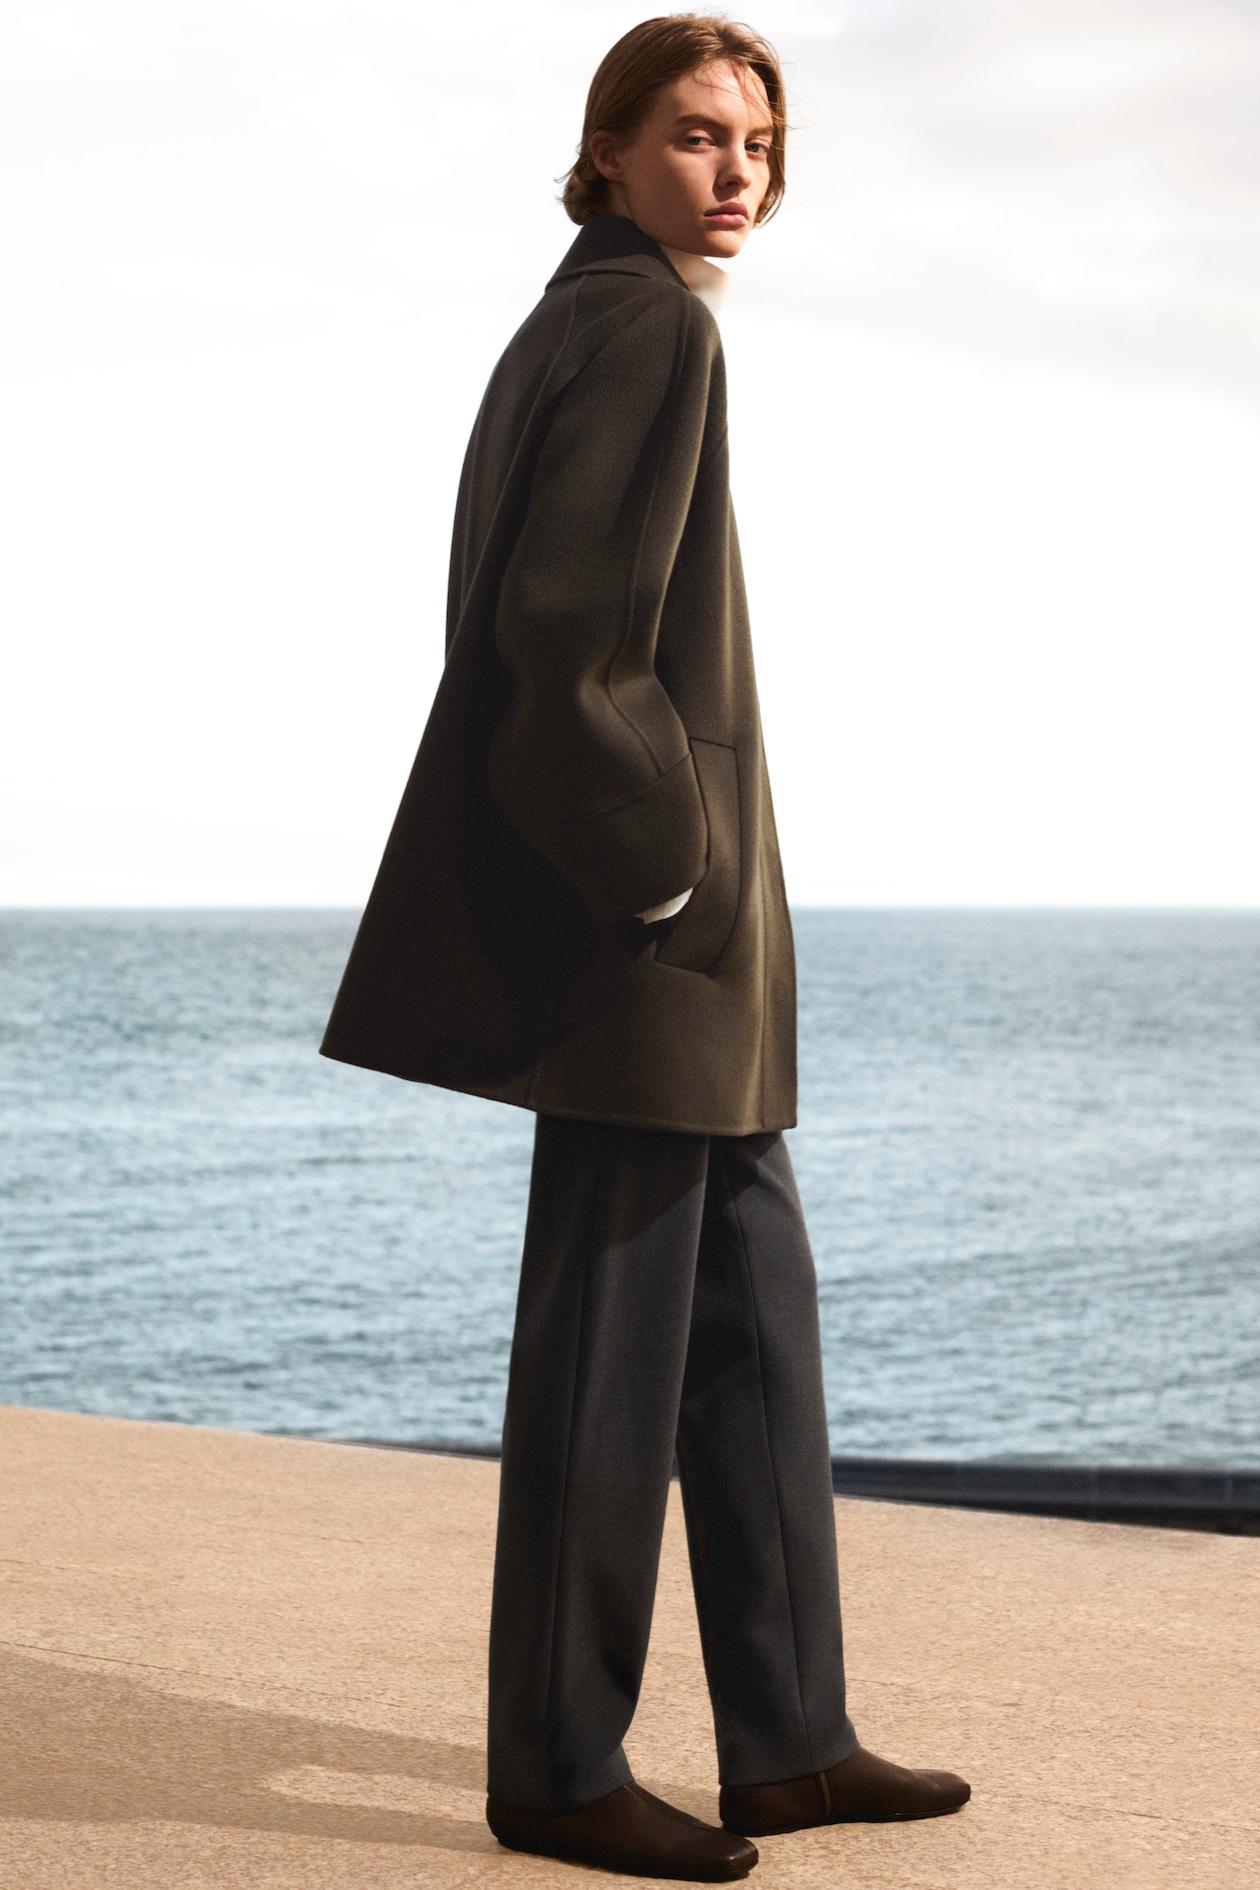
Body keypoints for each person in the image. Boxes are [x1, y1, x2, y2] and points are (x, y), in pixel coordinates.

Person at [321, 14, 969, 1880]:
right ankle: (557, 1764)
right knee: (611, 1355)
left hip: (692, 957)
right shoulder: (643, 326)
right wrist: (664, 871)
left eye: (759, 139)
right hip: (646, 940)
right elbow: (562, 636)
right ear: (603, 151)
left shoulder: (586, 317)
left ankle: (788, 1734)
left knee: (752, 1326)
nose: (737, 169)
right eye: (694, 134)